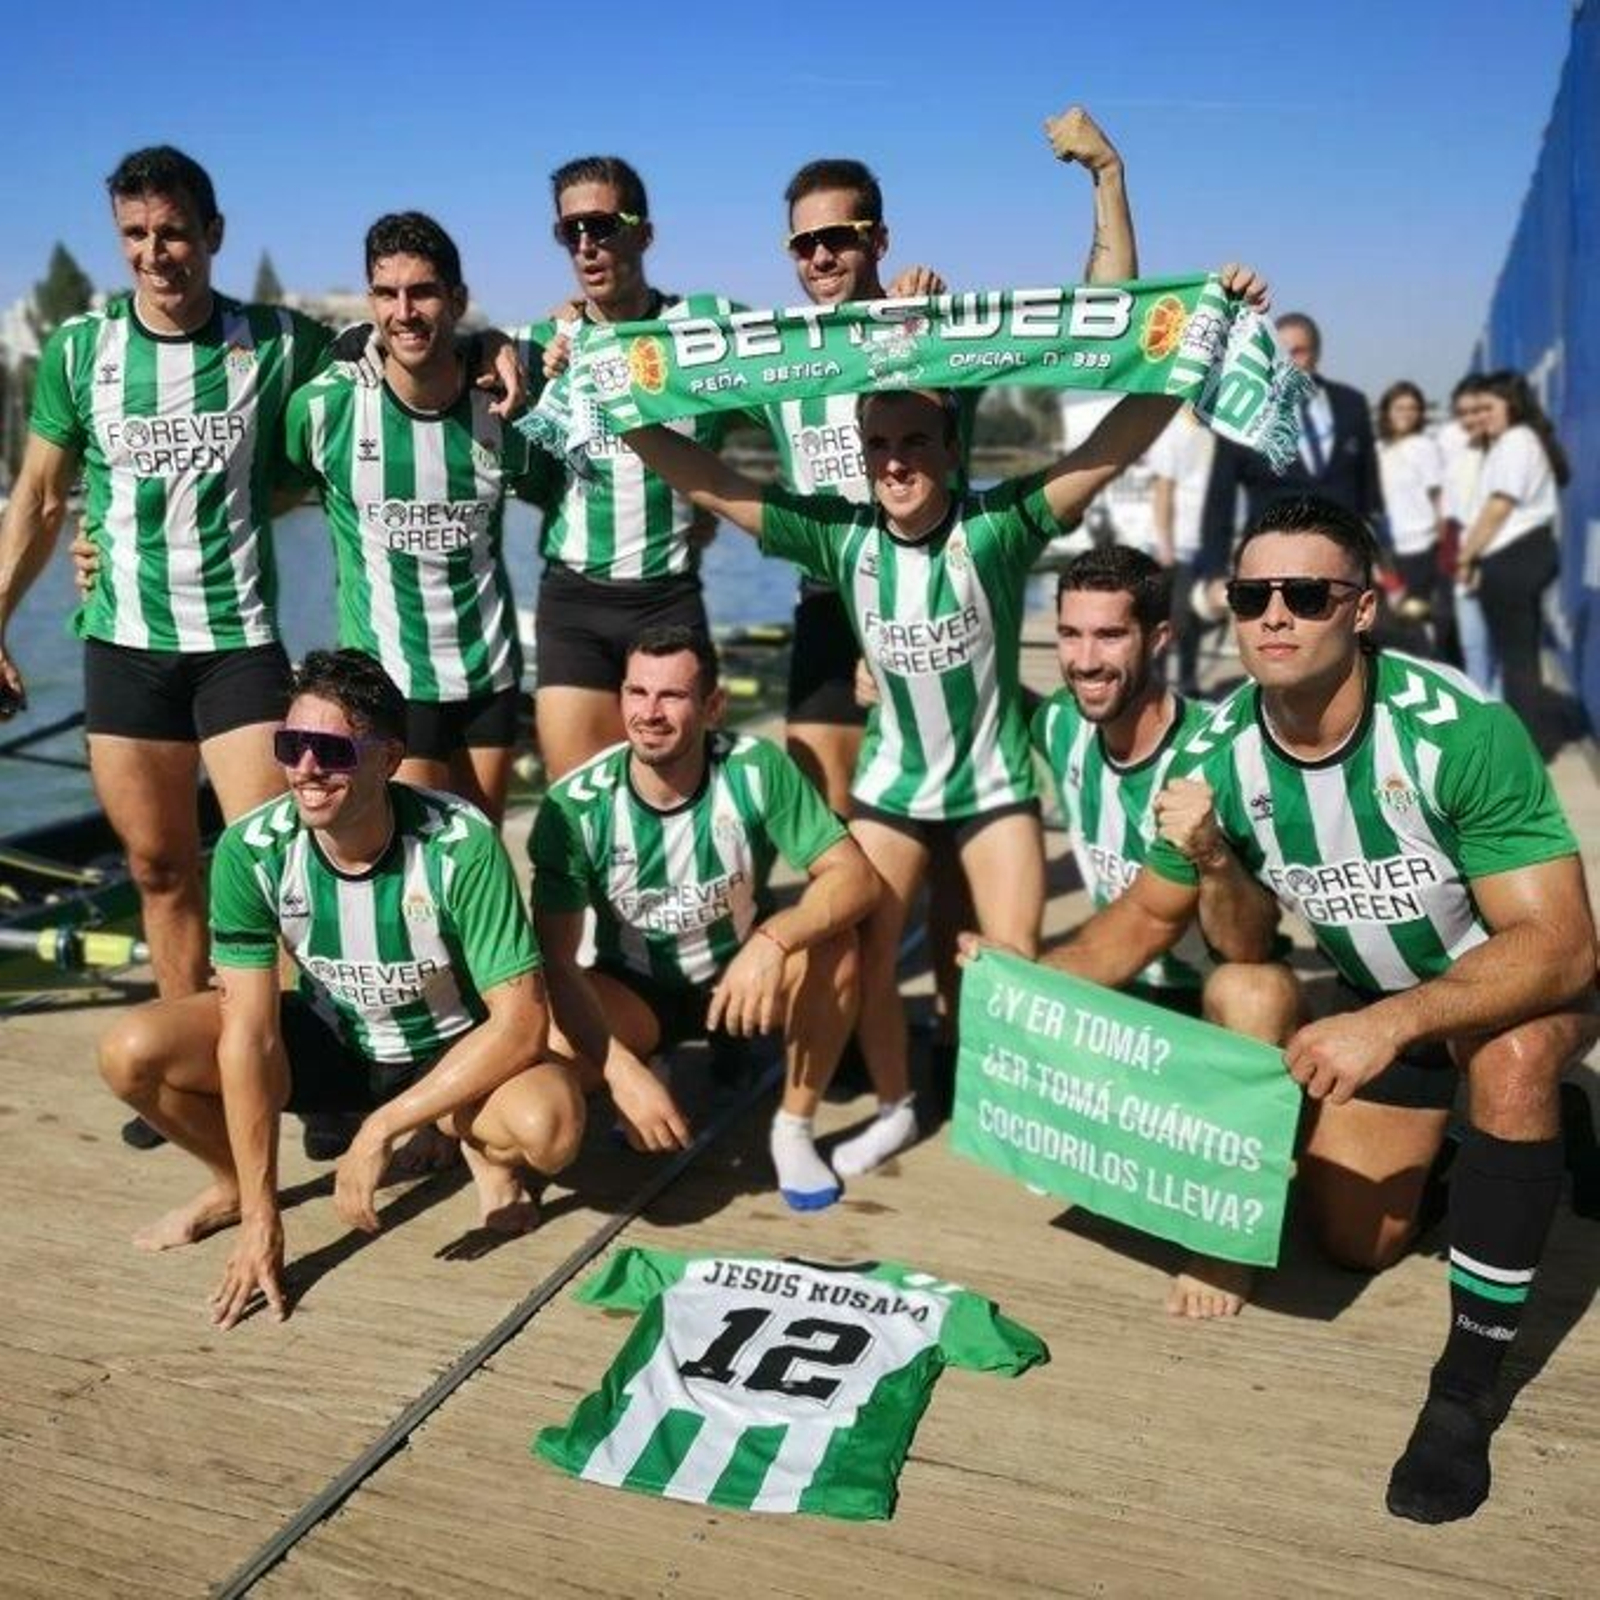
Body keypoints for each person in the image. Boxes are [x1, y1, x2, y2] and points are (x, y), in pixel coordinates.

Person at [618, 261, 1271, 1178]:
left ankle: (1020, 1116)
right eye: (879, 444)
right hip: (892, 785)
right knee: (853, 951)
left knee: (1012, 971)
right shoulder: (839, 534)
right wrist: (620, 403)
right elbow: (714, 483)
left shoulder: (996, 527)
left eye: (916, 442)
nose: (896, 462)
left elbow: (1109, 450)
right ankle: (846, 1117)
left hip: (992, 784)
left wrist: (1194, 343)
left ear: (951, 447)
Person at [1032, 492, 1598, 1523]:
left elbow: (1561, 944)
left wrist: (1388, 1023)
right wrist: (1020, 984)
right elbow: (1156, 925)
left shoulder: (1456, 731)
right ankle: (1529, 1141)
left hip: (1509, 987)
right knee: (1352, 1242)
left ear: (1362, 608)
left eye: (1306, 593)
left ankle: (1464, 1390)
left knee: (1510, 1062)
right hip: (1384, 1000)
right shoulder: (1217, 756)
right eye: (1252, 596)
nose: (1276, 615)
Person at [0, 146, 335, 1151]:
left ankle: (305, 1060)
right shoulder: (80, 350)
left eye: (175, 232)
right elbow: (41, 498)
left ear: (213, 233)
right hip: (125, 648)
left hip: (236, 643)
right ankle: (192, 1060)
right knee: (157, 867)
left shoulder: (275, 341)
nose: (157, 253)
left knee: (275, 862)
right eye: (137, 235)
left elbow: (384, 380)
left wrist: (498, 355)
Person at [96, 649, 584, 1328]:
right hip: (335, 1034)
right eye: (290, 746)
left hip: (444, 1046)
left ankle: (469, 1140)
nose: (305, 768)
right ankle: (233, 1188)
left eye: (330, 750)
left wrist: (382, 1128)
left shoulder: (459, 841)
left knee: (550, 1127)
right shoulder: (252, 848)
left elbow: (521, 1023)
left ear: (388, 759)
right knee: (130, 1051)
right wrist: (264, 1216)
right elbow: (250, 1034)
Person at [530, 625, 879, 1210]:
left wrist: (772, 941)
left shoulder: (755, 769)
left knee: (837, 948)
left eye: (672, 695)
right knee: (545, 1048)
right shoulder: (574, 807)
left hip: (738, 975)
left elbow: (856, 877)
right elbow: (556, 964)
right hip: (634, 988)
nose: (649, 713)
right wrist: (619, 1072)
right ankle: (651, 1062)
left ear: (713, 706)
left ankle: (793, 1129)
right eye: (637, 692)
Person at [1034, 545, 1296, 1317]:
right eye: (1070, 634)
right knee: (999, 968)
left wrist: (1212, 855)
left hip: (1206, 1015)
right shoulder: (1058, 723)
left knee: (1254, 989)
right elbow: (967, 714)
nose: (1085, 660)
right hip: (1123, 1007)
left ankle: (1225, 1242)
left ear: (1158, 638)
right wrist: (877, 684)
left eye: (1109, 635)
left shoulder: (1221, 751)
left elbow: (1251, 942)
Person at [282, 211, 543, 823]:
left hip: (488, 673)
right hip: (390, 680)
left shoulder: (503, 402)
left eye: (422, 292)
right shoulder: (326, 408)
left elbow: (571, 332)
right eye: (387, 294)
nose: (404, 311)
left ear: (457, 300)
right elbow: (260, 496)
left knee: (479, 846)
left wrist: (498, 341)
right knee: (416, 853)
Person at [513, 156, 739, 781]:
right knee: (579, 803)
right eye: (571, 231)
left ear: (645, 233)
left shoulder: (705, 324)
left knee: (678, 801)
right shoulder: (544, 342)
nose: (586, 245)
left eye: (603, 226)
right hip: (574, 602)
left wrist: (893, 299)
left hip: (668, 596)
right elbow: (460, 350)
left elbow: (815, 347)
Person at [1197, 311, 1381, 580]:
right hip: (1273, 562)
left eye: (1298, 352)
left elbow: (1369, 488)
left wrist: (1376, 554)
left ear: (1316, 353)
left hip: (1342, 561)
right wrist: (1214, 573)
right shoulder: (1242, 413)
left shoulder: (1352, 404)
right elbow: (1220, 501)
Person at [1457, 370, 1569, 756]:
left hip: (1515, 556)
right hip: (1521, 555)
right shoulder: (1519, 440)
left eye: (1489, 407)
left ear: (1513, 406)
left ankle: (1522, 752)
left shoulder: (1516, 441)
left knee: (1516, 660)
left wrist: (1466, 556)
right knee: (1518, 657)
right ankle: (1525, 747)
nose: (1481, 416)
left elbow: (1499, 506)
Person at [1147, 404, 1215, 697]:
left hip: (1205, 543)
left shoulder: (1212, 431)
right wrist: (1165, 543)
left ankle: (1188, 682)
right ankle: (1157, 681)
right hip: (1177, 545)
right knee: (1172, 618)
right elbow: (1163, 489)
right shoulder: (1171, 432)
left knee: (1196, 618)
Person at [1375, 381, 1445, 644]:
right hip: (1383, 550)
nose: (1406, 413)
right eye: (1399, 407)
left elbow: (1438, 497)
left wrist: (1442, 542)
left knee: (1413, 618)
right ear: (1387, 411)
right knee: (1385, 622)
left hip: (1419, 547)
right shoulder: (1378, 449)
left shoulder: (1424, 446)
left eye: (1413, 408)